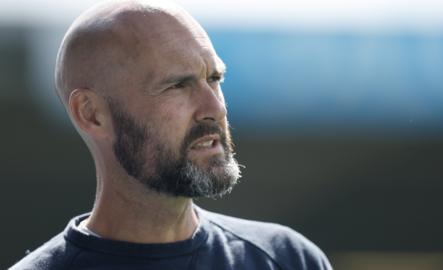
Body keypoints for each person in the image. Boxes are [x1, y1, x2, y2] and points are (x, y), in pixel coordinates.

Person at [10, 0, 332, 269]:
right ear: (92, 114)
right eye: (178, 85)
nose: (214, 108)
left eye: (214, 78)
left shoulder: (287, 260)